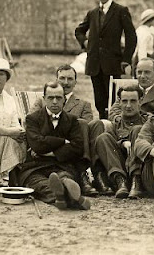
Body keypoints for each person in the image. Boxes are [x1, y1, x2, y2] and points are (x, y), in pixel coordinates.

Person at [16, 82, 91, 210]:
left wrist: (51, 152)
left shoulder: (72, 120)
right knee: (39, 184)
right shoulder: (32, 119)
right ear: (44, 99)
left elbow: (77, 148)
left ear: (64, 100)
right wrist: (62, 141)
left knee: (65, 177)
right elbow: (37, 145)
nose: (55, 102)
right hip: (36, 167)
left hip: (62, 165)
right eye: (51, 98)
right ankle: (70, 197)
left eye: (58, 98)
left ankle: (61, 196)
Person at [30, 64, 98, 196]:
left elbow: (83, 133)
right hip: (46, 149)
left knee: (82, 124)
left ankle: (82, 174)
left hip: (73, 153)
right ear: (56, 80)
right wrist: (61, 142)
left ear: (75, 82)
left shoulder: (83, 105)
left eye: (70, 79)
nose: (66, 83)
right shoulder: (41, 101)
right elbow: (32, 122)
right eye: (62, 78)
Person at [75, 0, 137, 119]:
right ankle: (103, 122)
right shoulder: (92, 13)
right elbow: (79, 31)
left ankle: (114, 123)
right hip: (95, 63)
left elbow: (131, 36)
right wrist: (85, 43)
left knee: (113, 98)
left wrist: (126, 59)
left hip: (112, 63)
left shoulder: (120, 10)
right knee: (99, 99)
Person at [94, 85, 150, 199]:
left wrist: (135, 143)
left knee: (137, 130)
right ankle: (120, 181)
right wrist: (122, 143)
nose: (128, 105)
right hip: (121, 167)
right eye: (125, 101)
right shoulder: (115, 124)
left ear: (140, 101)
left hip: (143, 170)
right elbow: (109, 147)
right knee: (103, 138)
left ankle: (136, 181)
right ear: (119, 102)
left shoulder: (149, 121)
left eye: (133, 101)